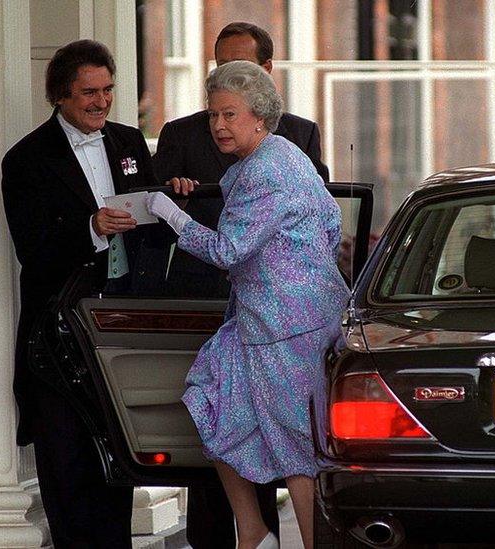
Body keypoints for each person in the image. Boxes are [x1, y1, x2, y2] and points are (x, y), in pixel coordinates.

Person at [147, 60, 349, 549]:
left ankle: (309, 542)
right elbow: (332, 224)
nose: (218, 125)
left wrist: (171, 215)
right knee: (211, 398)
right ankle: (254, 534)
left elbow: (227, 251)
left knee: (299, 445)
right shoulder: (276, 157)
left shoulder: (265, 171)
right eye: (213, 114)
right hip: (267, 319)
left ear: (259, 116)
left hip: (289, 327)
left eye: (229, 115)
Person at [1, 39, 162, 547]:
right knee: (66, 462)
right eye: (89, 93)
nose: (101, 101)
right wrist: (92, 227)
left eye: (108, 90)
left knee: (116, 456)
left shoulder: (130, 142)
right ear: (60, 97)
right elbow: (33, 248)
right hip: (60, 333)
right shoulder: (26, 159)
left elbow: (152, 222)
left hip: (118, 324)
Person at [153, 22, 330, 304]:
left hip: (276, 298)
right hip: (198, 287)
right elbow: (152, 212)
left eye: (240, 66)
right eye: (221, 66)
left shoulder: (298, 137)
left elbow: (324, 220)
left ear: (267, 68)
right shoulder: (181, 133)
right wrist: (175, 199)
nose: (228, 76)